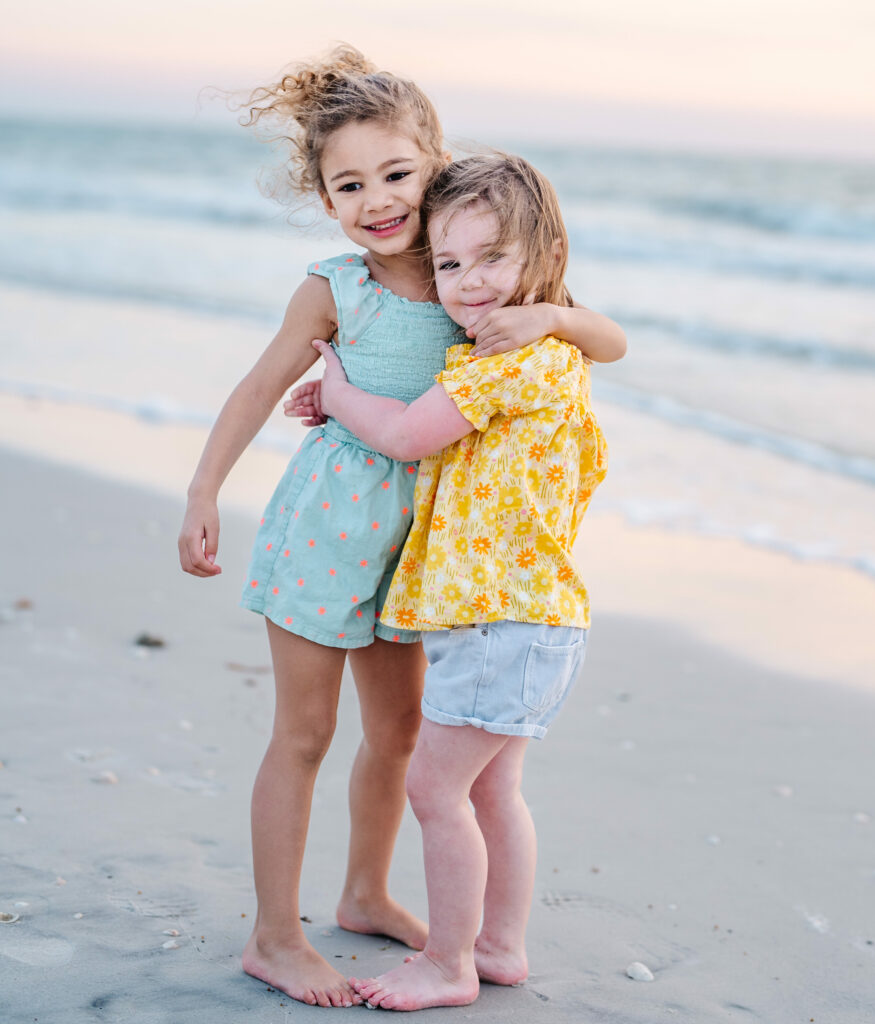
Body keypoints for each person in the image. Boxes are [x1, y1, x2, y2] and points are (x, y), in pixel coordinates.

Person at [177, 47, 627, 1009]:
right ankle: (274, 935)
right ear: (325, 198)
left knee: (401, 735)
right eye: (349, 184)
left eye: (397, 174)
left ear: (436, 166)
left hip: (422, 550)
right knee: (303, 734)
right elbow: (261, 388)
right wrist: (204, 490)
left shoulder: (480, 277)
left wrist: (548, 315)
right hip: (329, 528)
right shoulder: (337, 289)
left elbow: (609, 340)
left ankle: (368, 891)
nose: (377, 199)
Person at [300, 152, 613, 1011]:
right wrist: (551, 311)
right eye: (447, 263)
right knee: (492, 790)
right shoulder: (553, 347)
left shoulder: (508, 363)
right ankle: (500, 946)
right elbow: (609, 338)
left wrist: (334, 390)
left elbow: (405, 436)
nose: (468, 284)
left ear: (542, 259)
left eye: (491, 259)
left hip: (498, 622)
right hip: (536, 621)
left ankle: (449, 963)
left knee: (435, 789)